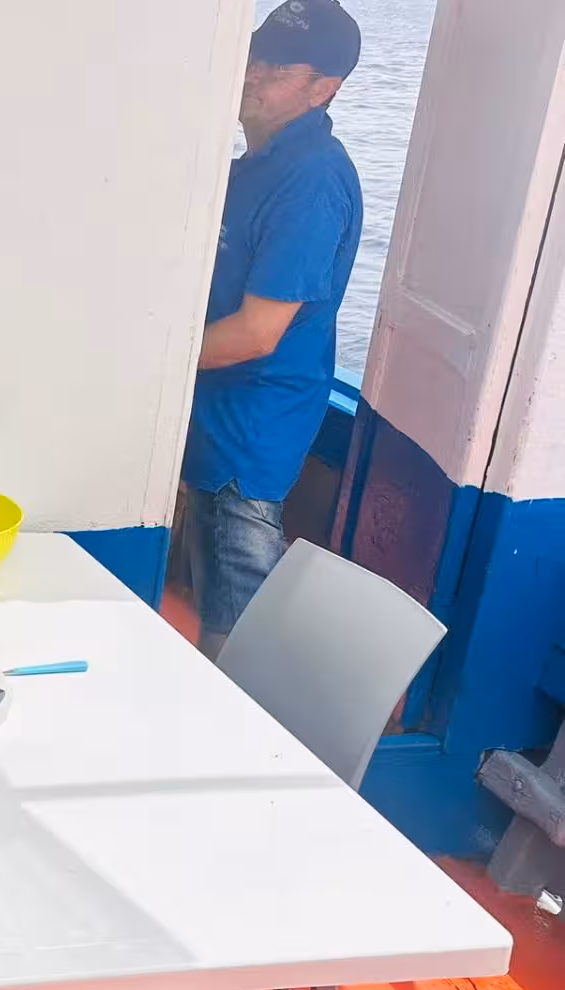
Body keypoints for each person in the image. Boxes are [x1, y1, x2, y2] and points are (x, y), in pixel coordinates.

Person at [183, 0, 362, 658]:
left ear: (324, 89)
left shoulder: (311, 181)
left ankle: (242, 739)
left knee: (239, 604)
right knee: (210, 580)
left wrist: (145, 359)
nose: (254, 75)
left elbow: (260, 333)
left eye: (279, 68)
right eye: (254, 56)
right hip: (215, 408)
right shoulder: (252, 163)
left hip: (252, 428)